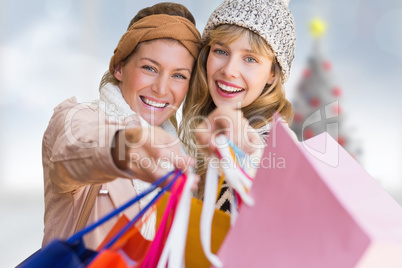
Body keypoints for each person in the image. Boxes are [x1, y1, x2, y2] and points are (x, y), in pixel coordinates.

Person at [42, 2, 201, 250]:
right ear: (119, 68)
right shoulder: (76, 118)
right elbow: (77, 150)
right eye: (149, 68)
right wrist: (123, 149)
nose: (161, 88)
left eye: (178, 75)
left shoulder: (181, 155)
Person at [179, 0, 297, 213]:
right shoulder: (202, 128)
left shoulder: (274, 147)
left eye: (250, 59)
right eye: (221, 51)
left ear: (272, 73)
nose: (229, 70)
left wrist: (242, 153)